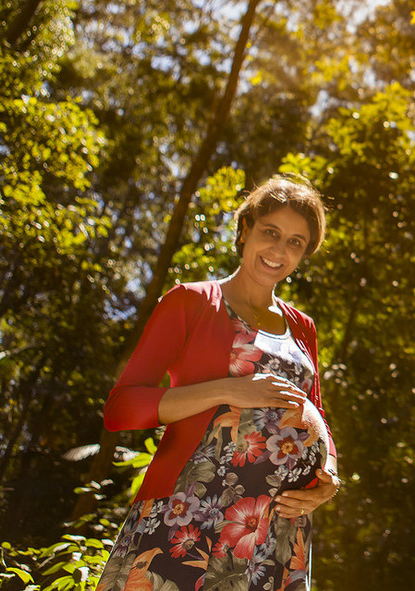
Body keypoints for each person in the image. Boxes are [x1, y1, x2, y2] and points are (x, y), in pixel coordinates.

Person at [96, 175, 341, 591]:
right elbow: (120, 409)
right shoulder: (190, 301)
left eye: (296, 243)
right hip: (189, 514)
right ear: (245, 229)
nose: (279, 251)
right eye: (270, 233)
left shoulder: (304, 327)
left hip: (277, 532)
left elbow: (313, 413)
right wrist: (228, 390)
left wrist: (329, 476)